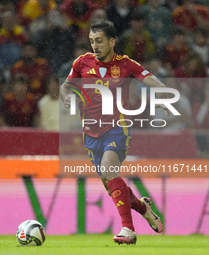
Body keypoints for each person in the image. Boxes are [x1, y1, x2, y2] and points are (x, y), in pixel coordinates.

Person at [60, 20, 167, 244]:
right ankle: (143, 207)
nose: (94, 46)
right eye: (91, 41)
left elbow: (149, 78)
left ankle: (128, 229)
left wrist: (164, 93)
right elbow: (67, 85)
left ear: (112, 41)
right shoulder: (82, 62)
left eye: (99, 41)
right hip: (90, 134)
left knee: (109, 170)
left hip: (117, 129)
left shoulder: (126, 64)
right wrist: (66, 94)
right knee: (112, 187)